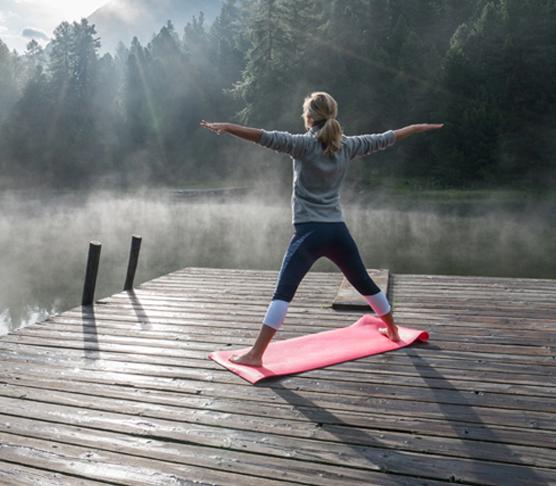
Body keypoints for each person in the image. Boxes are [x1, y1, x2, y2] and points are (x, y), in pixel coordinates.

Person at [200, 91, 443, 366]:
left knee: (283, 292)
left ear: (309, 117)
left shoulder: (301, 145)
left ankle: (256, 354)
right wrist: (417, 128)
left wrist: (228, 127)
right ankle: (394, 330)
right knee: (364, 282)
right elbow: (388, 137)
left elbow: (262, 136)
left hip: (309, 233)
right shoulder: (348, 146)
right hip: (337, 231)